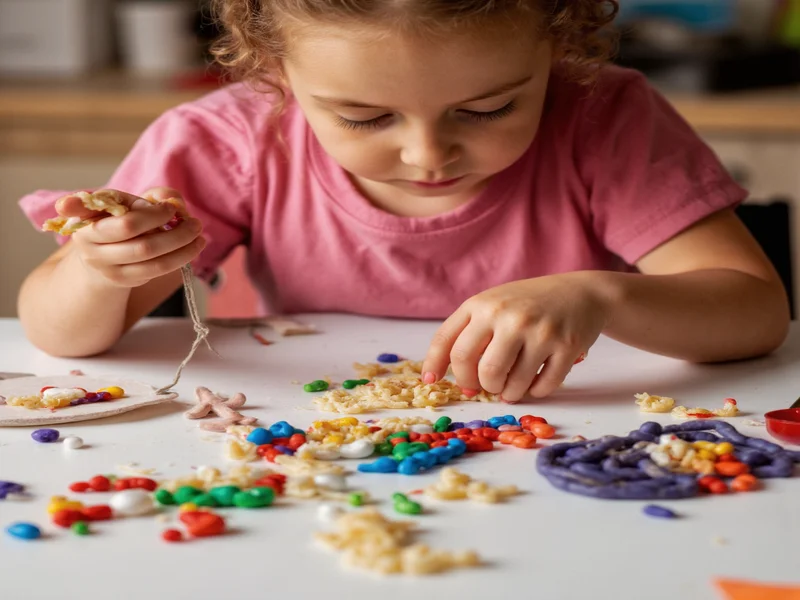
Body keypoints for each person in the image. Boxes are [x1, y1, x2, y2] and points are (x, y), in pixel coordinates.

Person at [16, 0, 790, 404]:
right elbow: (60, 335)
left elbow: (755, 312)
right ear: (277, 74)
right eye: (362, 117)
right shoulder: (234, 140)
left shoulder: (603, 117)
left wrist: (600, 296)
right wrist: (100, 272)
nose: (427, 154)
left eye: (488, 110)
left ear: (556, 52)